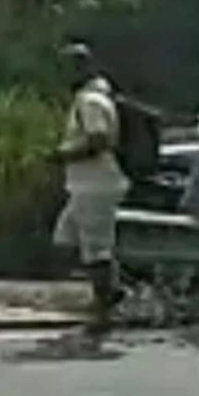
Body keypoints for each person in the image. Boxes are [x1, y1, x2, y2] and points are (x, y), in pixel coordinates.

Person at [49, 41, 130, 334]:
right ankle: (111, 290)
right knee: (65, 238)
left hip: (95, 184)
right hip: (83, 184)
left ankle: (105, 305)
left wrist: (64, 154)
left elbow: (99, 139)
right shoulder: (91, 97)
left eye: (68, 68)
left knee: (96, 248)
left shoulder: (90, 101)